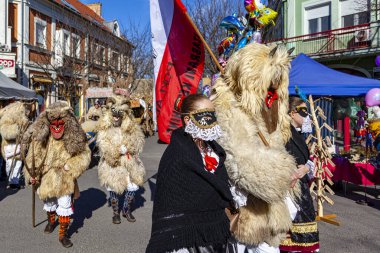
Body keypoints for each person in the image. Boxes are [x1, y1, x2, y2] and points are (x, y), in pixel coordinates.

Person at [212, 43, 299, 253]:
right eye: (268, 86)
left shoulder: (271, 111)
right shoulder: (230, 108)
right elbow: (239, 160)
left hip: (271, 209)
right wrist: (283, 175)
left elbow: (279, 146)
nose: (272, 92)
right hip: (246, 208)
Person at [146, 94, 235, 253]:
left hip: (217, 231)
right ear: (188, 120)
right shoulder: (177, 153)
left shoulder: (214, 149)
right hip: (187, 237)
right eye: (206, 115)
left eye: (213, 113)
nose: (212, 120)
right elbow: (178, 199)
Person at [21, 101, 91, 248]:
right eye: (53, 122)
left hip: (64, 176)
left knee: (64, 204)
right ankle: (51, 221)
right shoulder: (42, 138)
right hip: (46, 175)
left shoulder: (74, 137)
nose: (57, 125)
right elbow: (35, 157)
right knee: (49, 202)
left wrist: (71, 165)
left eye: (61, 122)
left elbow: (84, 155)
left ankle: (63, 234)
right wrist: (33, 175)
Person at [97, 95, 145, 224]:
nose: (116, 117)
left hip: (129, 162)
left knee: (132, 186)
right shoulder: (105, 129)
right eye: (114, 114)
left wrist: (129, 147)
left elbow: (139, 141)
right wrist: (116, 152)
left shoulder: (131, 127)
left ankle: (126, 210)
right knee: (113, 187)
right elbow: (103, 144)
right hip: (113, 163)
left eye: (120, 114)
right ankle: (115, 213)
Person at [280, 97, 319, 253]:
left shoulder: (297, 134)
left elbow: (305, 159)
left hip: (301, 188)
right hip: (290, 189)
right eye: (303, 112)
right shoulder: (283, 133)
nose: (306, 116)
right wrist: (298, 171)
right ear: (292, 112)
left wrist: (307, 168)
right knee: (293, 237)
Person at [0, 102, 31, 189]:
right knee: (10, 164)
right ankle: (11, 180)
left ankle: (15, 182)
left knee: (18, 164)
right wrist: (17, 130)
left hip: (19, 145)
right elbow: (6, 133)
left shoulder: (23, 120)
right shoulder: (7, 119)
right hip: (9, 145)